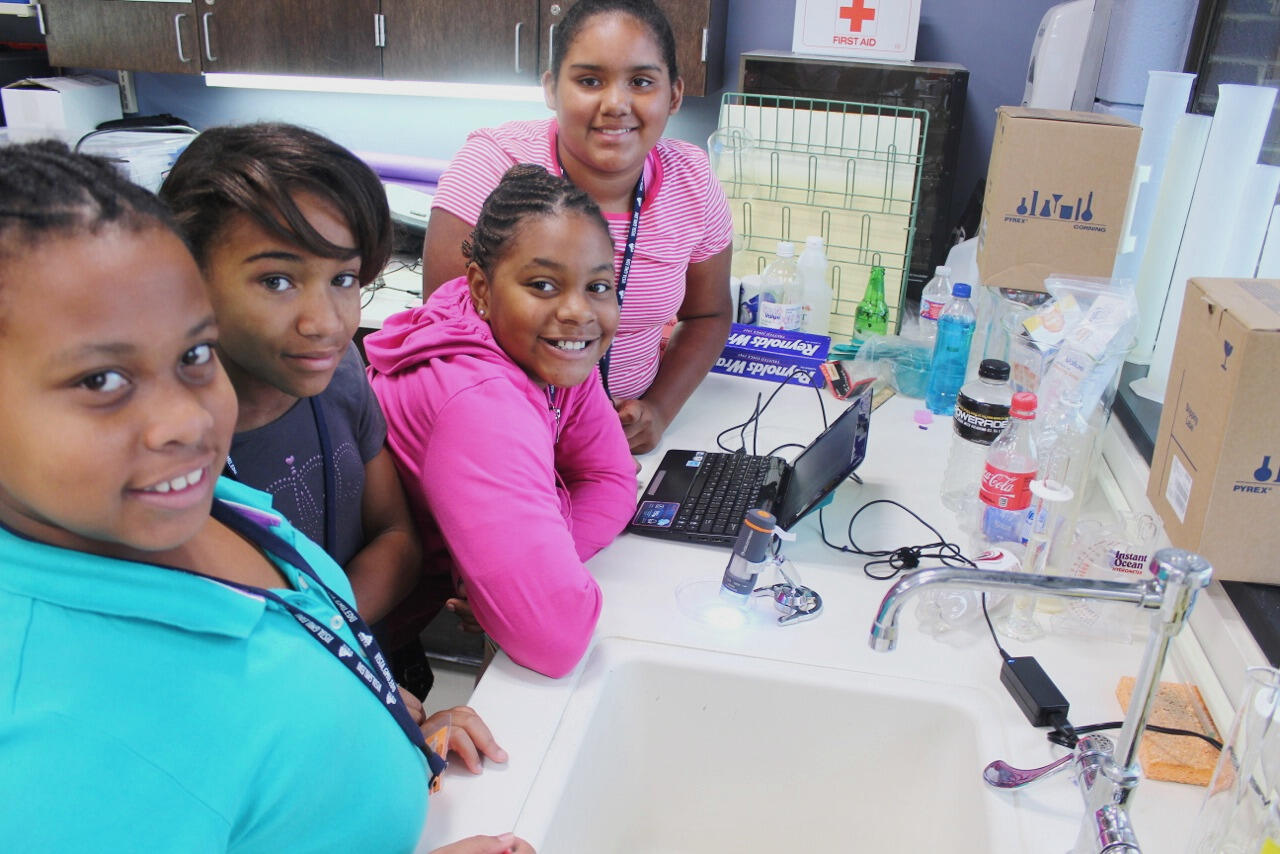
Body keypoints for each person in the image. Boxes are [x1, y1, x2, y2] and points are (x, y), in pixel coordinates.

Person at [0, 142, 529, 853]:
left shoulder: (206, 501)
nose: (187, 422)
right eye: (101, 381)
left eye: (194, 355)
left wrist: (387, 729)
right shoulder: (49, 736)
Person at [159, 124, 436, 697]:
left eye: (343, 278)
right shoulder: (164, 451)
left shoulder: (342, 375)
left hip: (369, 672)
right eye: (278, 280)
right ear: (188, 279)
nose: (327, 323)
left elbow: (396, 536)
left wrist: (337, 639)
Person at [421, 0, 734, 454]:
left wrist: (660, 410)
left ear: (675, 94)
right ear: (551, 89)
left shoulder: (692, 181)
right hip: (501, 439)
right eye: (590, 81)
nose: (616, 104)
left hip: (625, 447)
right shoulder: (493, 163)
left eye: (642, 82)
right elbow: (448, 331)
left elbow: (709, 314)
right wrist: (551, 434)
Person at [367, 165, 636, 679]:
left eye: (599, 286)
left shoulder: (546, 351)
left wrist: (544, 560)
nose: (579, 311)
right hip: (342, 653)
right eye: (542, 285)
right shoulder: (478, 399)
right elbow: (552, 638)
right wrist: (531, 579)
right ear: (481, 289)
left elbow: (610, 477)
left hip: (393, 626)